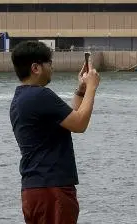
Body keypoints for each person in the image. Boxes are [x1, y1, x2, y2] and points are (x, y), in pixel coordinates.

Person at [9, 41, 100, 224]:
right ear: (36, 68)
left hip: (34, 189)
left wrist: (81, 91)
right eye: (49, 63)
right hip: (53, 189)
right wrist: (92, 86)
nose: (52, 67)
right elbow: (80, 124)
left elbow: (72, 120)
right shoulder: (41, 95)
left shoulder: (21, 99)